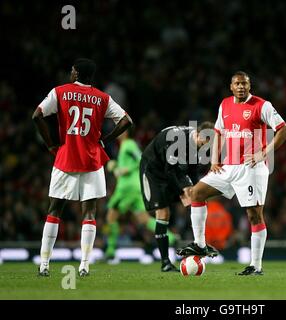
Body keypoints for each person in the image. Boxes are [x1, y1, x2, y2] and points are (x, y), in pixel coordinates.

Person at [177, 71, 286, 276]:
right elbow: (219, 132)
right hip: (228, 167)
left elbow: (284, 130)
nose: (241, 87)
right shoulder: (225, 105)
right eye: (237, 83)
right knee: (196, 193)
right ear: (231, 86)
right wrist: (214, 160)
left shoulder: (262, 105)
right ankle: (200, 244)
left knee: (254, 215)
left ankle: (256, 266)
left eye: (245, 84)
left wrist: (264, 152)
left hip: (251, 169)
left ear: (249, 86)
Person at [32, 58, 132, 277]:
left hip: (65, 156)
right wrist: (104, 140)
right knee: (89, 212)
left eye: (72, 70)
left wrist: (50, 144)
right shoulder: (103, 98)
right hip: (92, 160)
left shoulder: (60, 92)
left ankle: (45, 264)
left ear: (76, 73)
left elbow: (37, 115)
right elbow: (126, 121)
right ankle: (84, 265)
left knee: (54, 210)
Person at [140, 121, 215, 272]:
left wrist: (194, 191)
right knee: (163, 212)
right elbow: (170, 170)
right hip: (154, 170)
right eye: (206, 142)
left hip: (171, 170)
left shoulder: (197, 144)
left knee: (191, 201)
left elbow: (192, 170)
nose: (208, 146)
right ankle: (165, 262)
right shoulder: (179, 141)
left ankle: (193, 244)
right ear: (199, 135)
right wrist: (184, 190)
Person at [104, 128, 177, 263]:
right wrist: (116, 167)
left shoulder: (128, 144)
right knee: (143, 219)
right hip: (135, 188)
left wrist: (123, 169)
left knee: (110, 217)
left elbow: (141, 158)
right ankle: (172, 238)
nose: (117, 133)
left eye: (120, 131)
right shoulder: (125, 146)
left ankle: (110, 251)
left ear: (125, 132)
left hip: (126, 189)